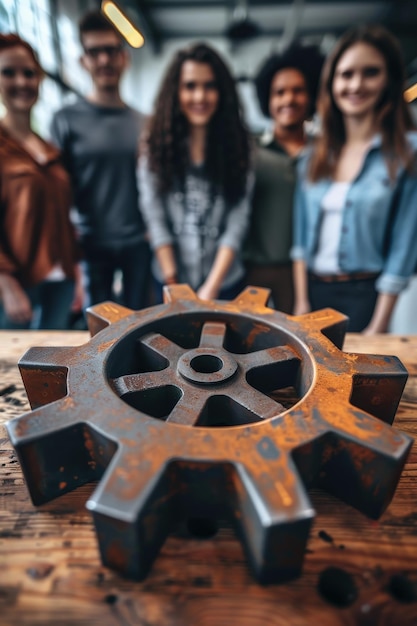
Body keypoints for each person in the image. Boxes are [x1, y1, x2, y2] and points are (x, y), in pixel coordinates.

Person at [292, 25, 417, 333]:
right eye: (346, 74)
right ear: (332, 82)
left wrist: (379, 323)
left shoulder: (407, 152)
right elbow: (301, 240)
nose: (356, 84)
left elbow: (405, 244)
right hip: (315, 291)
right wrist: (301, 302)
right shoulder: (312, 156)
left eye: (370, 72)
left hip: (369, 296)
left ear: (388, 79)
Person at [50, 10, 150, 311]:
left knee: (141, 326)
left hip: (139, 243)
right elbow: (57, 188)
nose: (104, 60)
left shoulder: (144, 123)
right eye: (95, 52)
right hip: (91, 244)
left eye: (111, 51)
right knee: (98, 331)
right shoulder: (65, 120)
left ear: (124, 57)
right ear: (84, 61)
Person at [138, 42, 252, 302]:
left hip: (225, 283)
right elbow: (154, 217)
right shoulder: (152, 146)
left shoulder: (240, 148)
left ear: (222, 92)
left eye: (209, 86)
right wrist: (172, 283)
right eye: (190, 86)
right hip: (168, 281)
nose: (200, 96)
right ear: (175, 92)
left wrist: (213, 287)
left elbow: (237, 221)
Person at [0, 34, 80, 330]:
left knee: (50, 369)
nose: (21, 81)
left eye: (29, 73)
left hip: (61, 282)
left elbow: (64, 217)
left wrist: (76, 273)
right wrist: (5, 282)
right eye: (9, 72)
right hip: (17, 286)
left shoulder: (49, 149)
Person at [243, 43, 324, 313]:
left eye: (298, 90)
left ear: (311, 95)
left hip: (306, 277)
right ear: (267, 99)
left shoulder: (326, 153)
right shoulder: (252, 151)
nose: (288, 99)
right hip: (254, 273)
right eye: (279, 92)